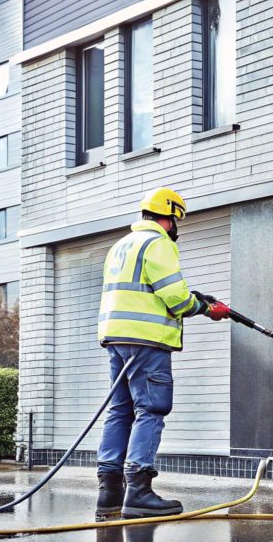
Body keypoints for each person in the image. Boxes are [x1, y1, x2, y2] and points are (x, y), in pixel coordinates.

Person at [94, 187, 231, 520]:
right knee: (151, 408)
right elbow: (176, 298)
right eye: (176, 220)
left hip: (117, 338)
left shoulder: (121, 246)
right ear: (170, 218)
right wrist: (205, 308)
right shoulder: (158, 244)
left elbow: (143, 290)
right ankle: (139, 491)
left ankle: (109, 493)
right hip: (147, 340)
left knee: (121, 409)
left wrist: (194, 298)